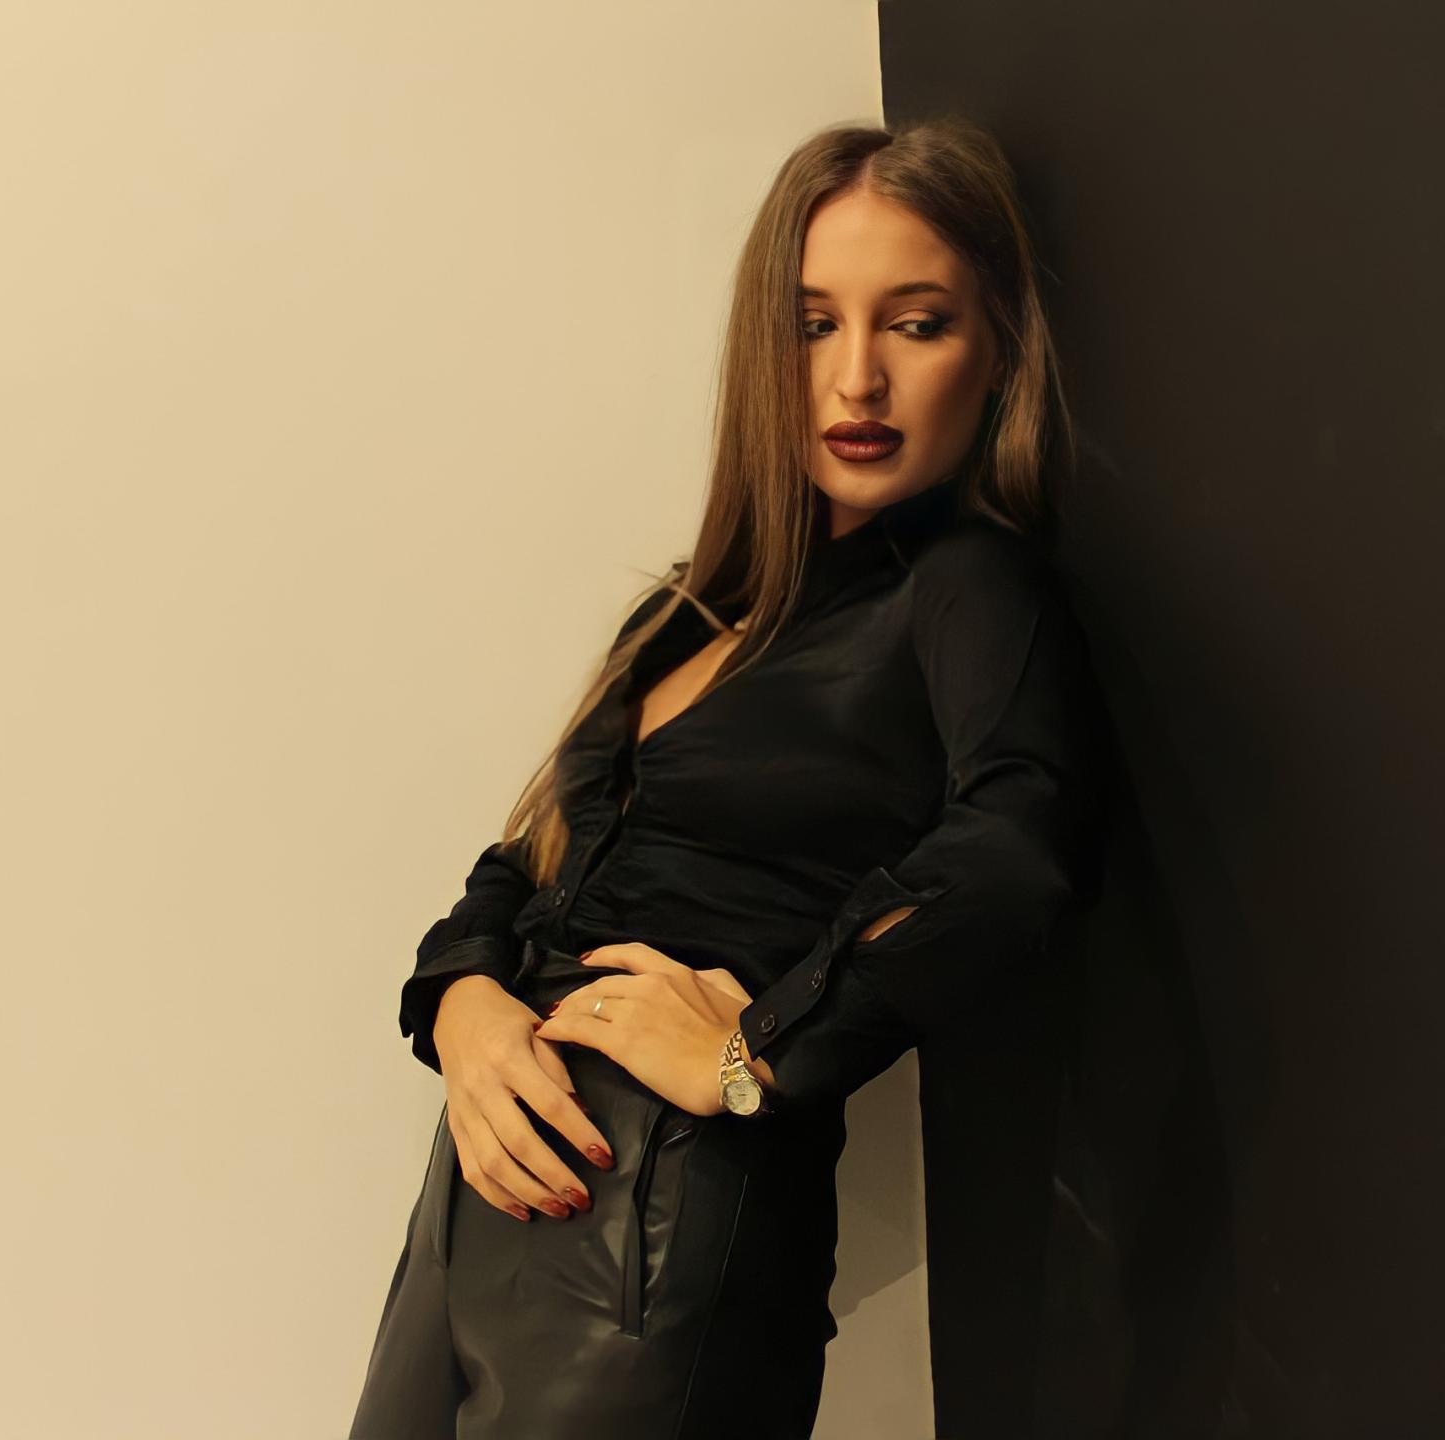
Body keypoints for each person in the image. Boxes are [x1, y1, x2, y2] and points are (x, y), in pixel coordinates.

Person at [349, 115, 1107, 1440]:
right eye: (813, 324)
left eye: (915, 324)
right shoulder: (690, 615)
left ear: (994, 353)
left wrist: (761, 1054)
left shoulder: (965, 586)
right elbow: (528, 861)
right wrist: (464, 1008)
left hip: (654, 1224)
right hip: (474, 1202)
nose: (857, 377)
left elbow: (1013, 849)